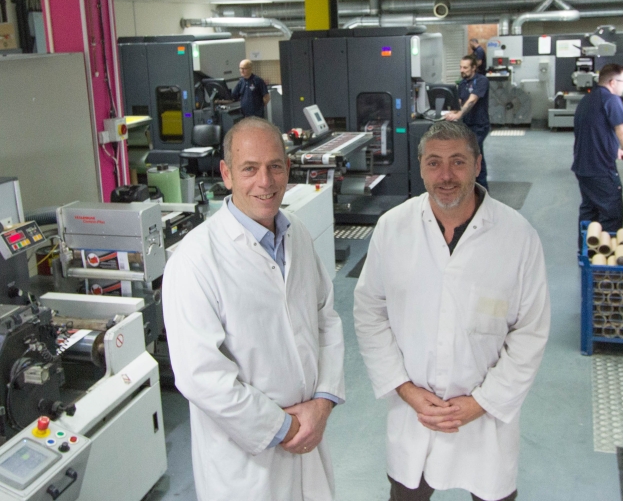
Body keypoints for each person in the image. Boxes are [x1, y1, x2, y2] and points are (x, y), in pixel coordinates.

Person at [354, 120, 550, 501]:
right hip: (416, 414)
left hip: (485, 418)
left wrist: (481, 403)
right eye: (433, 163)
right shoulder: (392, 228)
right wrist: (405, 389)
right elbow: (369, 312)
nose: (445, 175)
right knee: (407, 491)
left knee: (490, 490)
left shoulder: (517, 236)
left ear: (478, 165)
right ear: (421, 166)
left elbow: (530, 331)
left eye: (457, 162)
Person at [162, 117, 345, 501]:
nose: (266, 181)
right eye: (250, 169)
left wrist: (323, 402)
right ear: (226, 174)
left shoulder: (296, 231)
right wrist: (284, 428)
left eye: (275, 166)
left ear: (288, 169)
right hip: (247, 463)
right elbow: (201, 376)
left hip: (310, 435)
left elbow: (325, 320)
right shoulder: (195, 259)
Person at [571, 63, 623, 234]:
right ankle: (604, 257)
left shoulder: (588, 99)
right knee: (611, 216)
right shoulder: (611, 100)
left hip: (583, 168)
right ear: (613, 82)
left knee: (589, 214)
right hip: (600, 170)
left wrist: (615, 150)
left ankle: (587, 255)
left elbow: (594, 133)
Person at [443, 55, 490, 189]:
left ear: (474, 68)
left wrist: (459, 114)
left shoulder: (482, 81)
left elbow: (471, 101)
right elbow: (459, 102)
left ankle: (483, 189)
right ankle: (470, 187)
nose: (462, 70)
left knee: (475, 155)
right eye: (460, 67)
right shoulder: (462, 84)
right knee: (469, 155)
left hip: (479, 125)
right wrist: (453, 111)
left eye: (465, 67)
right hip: (466, 125)